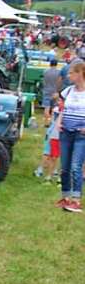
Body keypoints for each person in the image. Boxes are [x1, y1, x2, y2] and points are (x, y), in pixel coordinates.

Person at [55, 60, 85, 213]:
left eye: (71, 73)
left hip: (81, 134)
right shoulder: (68, 91)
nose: (68, 75)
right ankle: (65, 196)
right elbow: (62, 108)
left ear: (80, 73)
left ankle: (76, 200)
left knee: (76, 167)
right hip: (66, 132)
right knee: (65, 167)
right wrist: (59, 122)